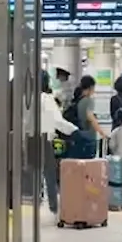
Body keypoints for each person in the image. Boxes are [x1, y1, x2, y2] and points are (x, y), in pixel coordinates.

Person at [41, 71, 78, 214]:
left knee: (31, 173)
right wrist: (74, 131)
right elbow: (58, 121)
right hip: (44, 138)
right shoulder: (47, 99)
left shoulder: (25, 97)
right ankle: (53, 207)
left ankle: (29, 202)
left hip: (26, 138)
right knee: (49, 173)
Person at [74, 75, 108, 157]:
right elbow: (90, 117)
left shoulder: (77, 99)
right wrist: (101, 132)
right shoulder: (88, 100)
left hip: (79, 134)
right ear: (91, 87)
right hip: (89, 135)